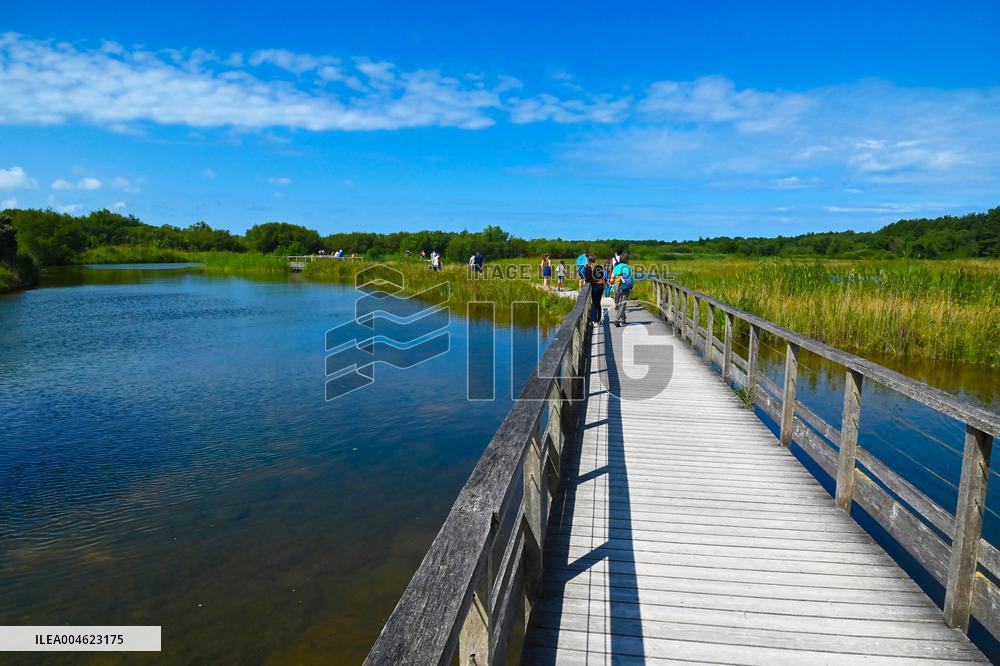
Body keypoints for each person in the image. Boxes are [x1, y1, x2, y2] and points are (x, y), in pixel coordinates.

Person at [611, 253, 634, 326]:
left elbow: (611, 279)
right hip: (624, 286)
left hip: (616, 286)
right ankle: (617, 319)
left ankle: (623, 319)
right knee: (623, 303)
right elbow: (630, 278)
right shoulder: (628, 267)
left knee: (619, 303)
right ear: (627, 260)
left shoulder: (616, 267)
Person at [584, 255, 606, 325]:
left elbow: (588, 279)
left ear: (589, 260)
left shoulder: (589, 267)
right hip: (601, 285)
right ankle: (598, 319)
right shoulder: (599, 266)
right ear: (595, 259)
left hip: (595, 285)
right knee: (598, 303)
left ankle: (594, 320)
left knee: (594, 303)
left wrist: (586, 268)